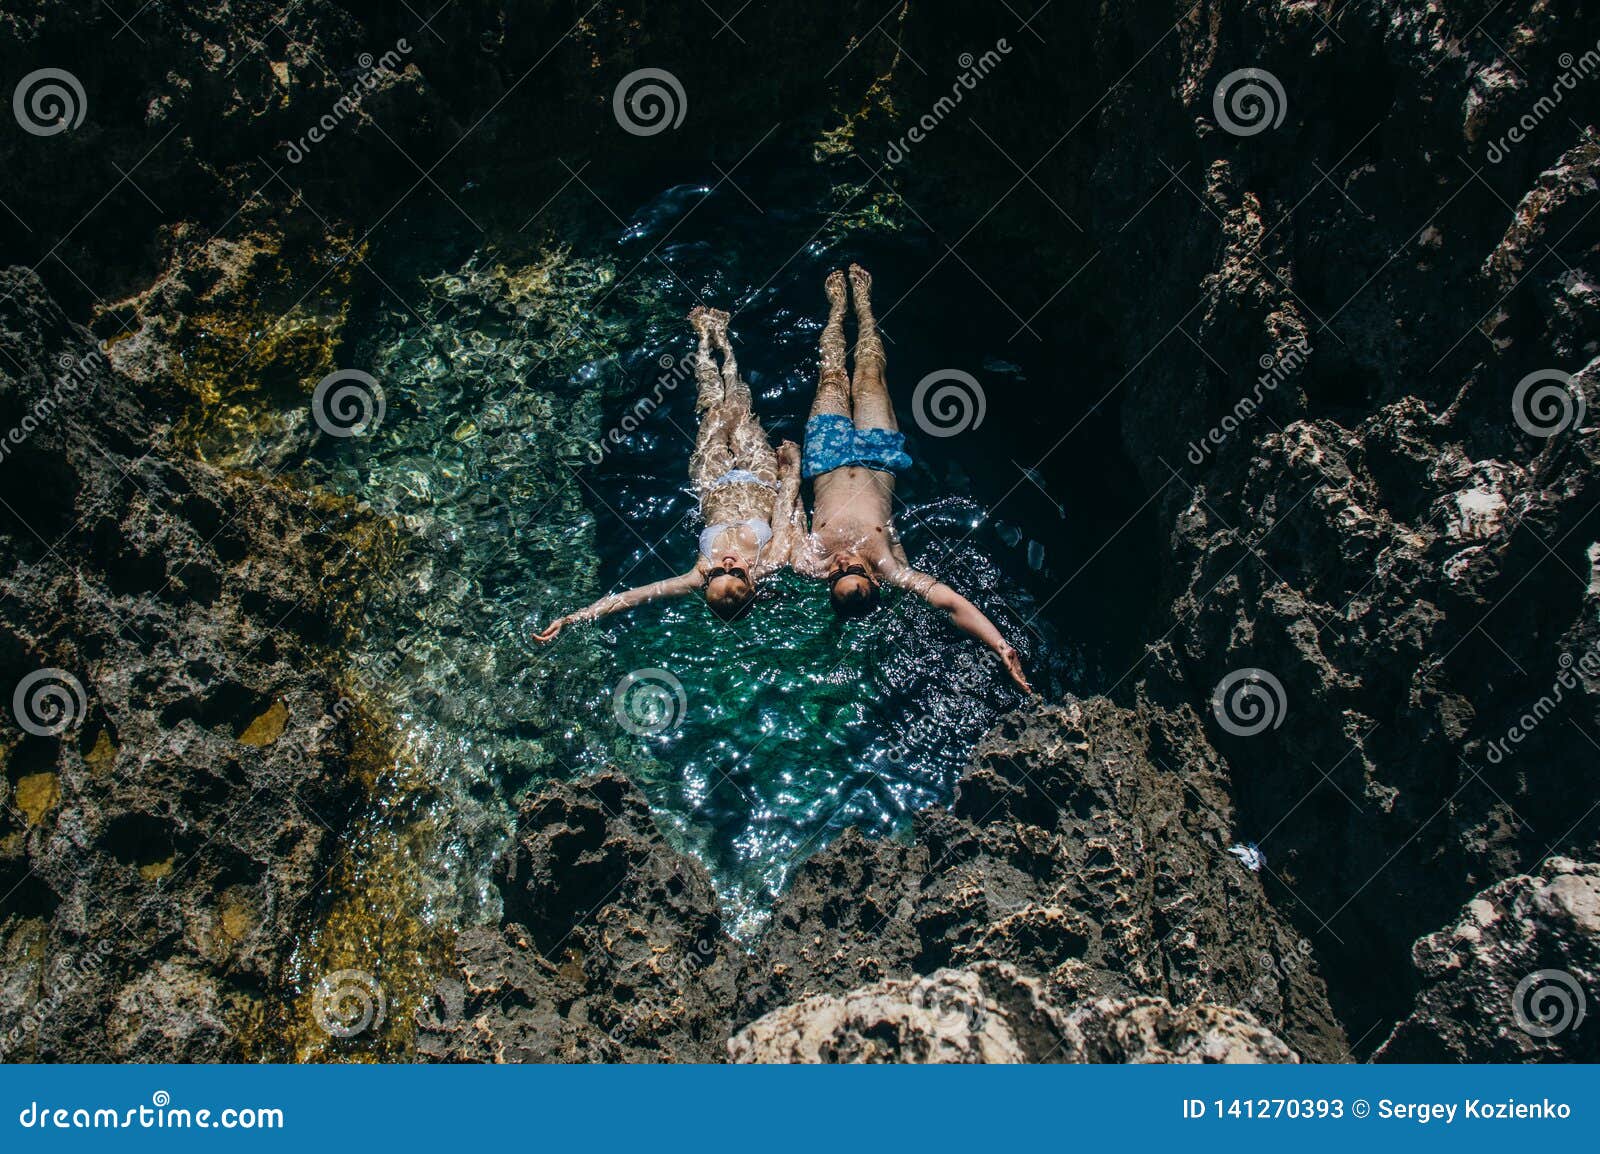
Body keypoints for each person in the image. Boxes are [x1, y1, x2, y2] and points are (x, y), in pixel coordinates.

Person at [787, 264, 1033, 693]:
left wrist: (787, 470)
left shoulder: (808, 563)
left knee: (830, 375)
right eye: (854, 571)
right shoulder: (890, 565)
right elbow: (948, 601)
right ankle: (864, 308)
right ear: (875, 581)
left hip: (824, 458)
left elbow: (782, 519)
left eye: (838, 573)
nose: (843, 563)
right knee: (867, 376)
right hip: (879, 456)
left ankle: (835, 308)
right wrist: (1000, 645)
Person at [534, 306, 800, 640]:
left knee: (713, 409)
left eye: (720, 571)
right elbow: (786, 507)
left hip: (712, 480)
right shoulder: (773, 561)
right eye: (735, 572)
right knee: (738, 409)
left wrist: (573, 619)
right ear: (752, 585)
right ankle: (727, 344)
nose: (727, 562)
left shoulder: (697, 573)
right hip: (760, 477)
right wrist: (792, 468)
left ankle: (704, 338)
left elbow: (631, 597)